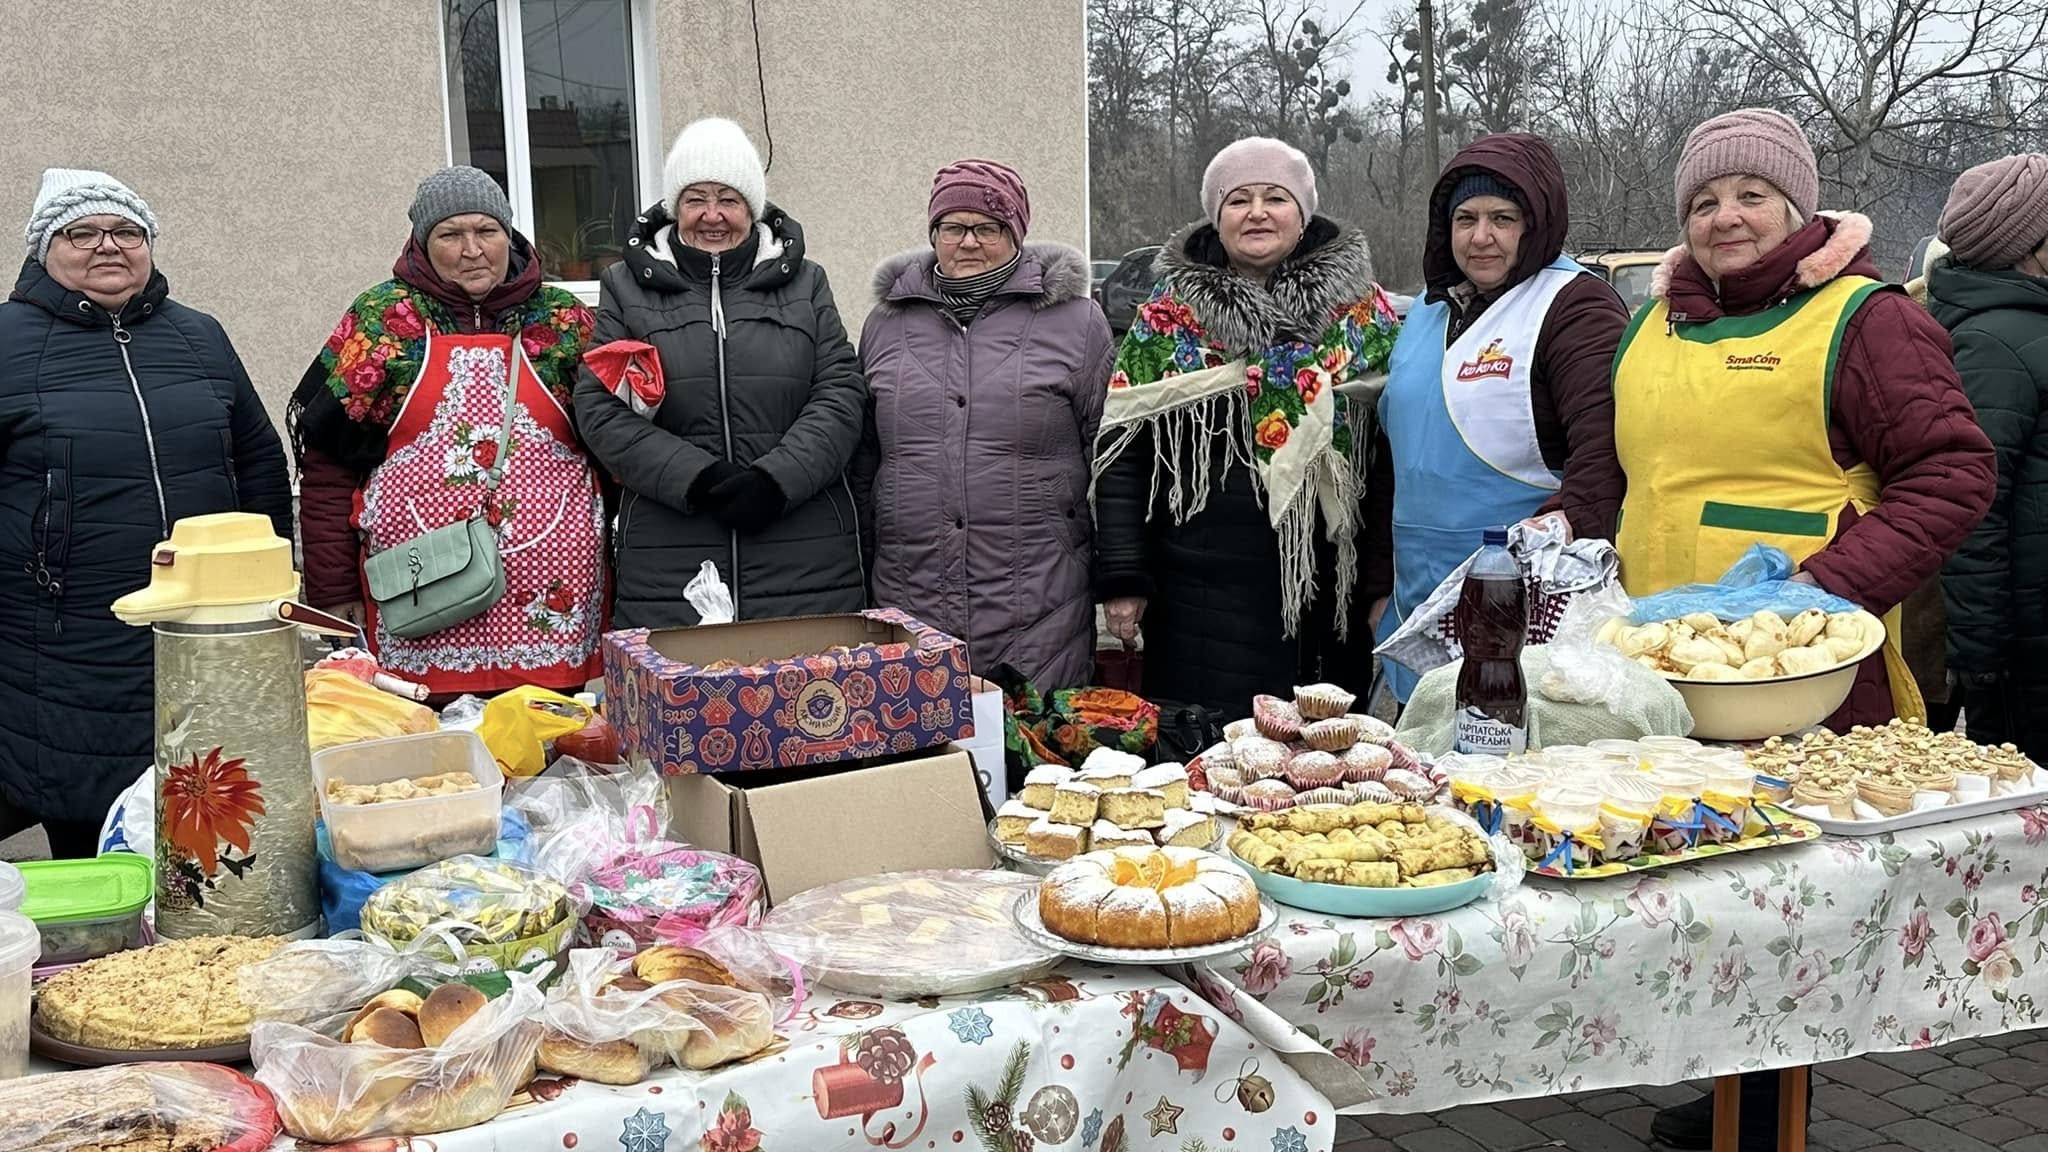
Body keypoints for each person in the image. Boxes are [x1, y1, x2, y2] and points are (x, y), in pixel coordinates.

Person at [1627, 111, 1996, 1152]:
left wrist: (1817, 592)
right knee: (1683, 883)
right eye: (1700, 201)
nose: (1722, 217)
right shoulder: (1653, 323)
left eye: (1749, 195)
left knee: (1778, 906)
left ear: (1797, 206)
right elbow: (1627, 477)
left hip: (1798, 673)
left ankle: (1767, 1111)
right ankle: (1716, 1081)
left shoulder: (1865, 318)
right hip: (1664, 670)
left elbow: (1953, 471)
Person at [0, 169, 291, 857]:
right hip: (65, 627)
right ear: (46, 246)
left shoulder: (199, 335)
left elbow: (257, 459)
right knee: (89, 803)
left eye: (127, 231)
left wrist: (270, 575)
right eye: (82, 232)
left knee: (212, 803)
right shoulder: (7, 339)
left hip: (208, 618)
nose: (108, 246)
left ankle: (208, 945)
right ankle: (102, 948)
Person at [1093, 137, 1401, 717]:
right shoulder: (1167, 319)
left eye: (1275, 198)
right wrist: (1123, 578)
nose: (1257, 212)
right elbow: (1122, 457)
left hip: (1330, 593)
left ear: (1302, 213)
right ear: (1217, 216)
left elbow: (1391, 458)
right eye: (1238, 200)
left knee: (1325, 771)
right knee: (1211, 767)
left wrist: (1382, 579)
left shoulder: (1365, 316)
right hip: (1200, 600)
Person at [291, 166, 604, 699]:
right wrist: (333, 587)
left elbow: (616, 454)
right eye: (450, 235)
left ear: (510, 234)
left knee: (555, 750)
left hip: (555, 608)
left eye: (487, 231)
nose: (472, 249)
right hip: (422, 602)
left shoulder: (565, 322)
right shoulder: (384, 322)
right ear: (422, 241)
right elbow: (327, 468)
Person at [574, 117, 866, 626]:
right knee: (687, 701)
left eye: (728, 199)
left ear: (751, 208)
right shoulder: (626, 288)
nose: (712, 216)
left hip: (802, 552)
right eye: (695, 198)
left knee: (807, 699)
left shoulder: (806, 284)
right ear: (674, 206)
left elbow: (840, 391)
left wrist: (776, 482)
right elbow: (600, 407)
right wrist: (698, 478)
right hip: (673, 558)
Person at [1376, 133, 1628, 702]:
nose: (1481, 237)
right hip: (1414, 601)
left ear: (1535, 223)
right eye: (1465, 218)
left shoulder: (1574, 306)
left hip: (1527, 615)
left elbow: (1604, 455)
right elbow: (1391, 455)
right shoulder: (1428, 309)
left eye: (1502, 218)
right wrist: (1375, 587)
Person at [856, 160, 1113, 689]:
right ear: (934, 234)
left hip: (1040, 594)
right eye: (953, 227)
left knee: (1039, 761)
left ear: (1016, 233)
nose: (968, 242)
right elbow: (865, 458)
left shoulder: (1077, 321)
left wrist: (1120, 574)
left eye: (988, 228)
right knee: (923, 762)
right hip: (911, 589)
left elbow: (1109, 455)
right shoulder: (885, 325)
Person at [1929, 154, 2048, 758]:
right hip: (2027, 648)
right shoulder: (1995, 340)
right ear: (2029, 244)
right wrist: (1980, 655)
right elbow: (1972, 505)